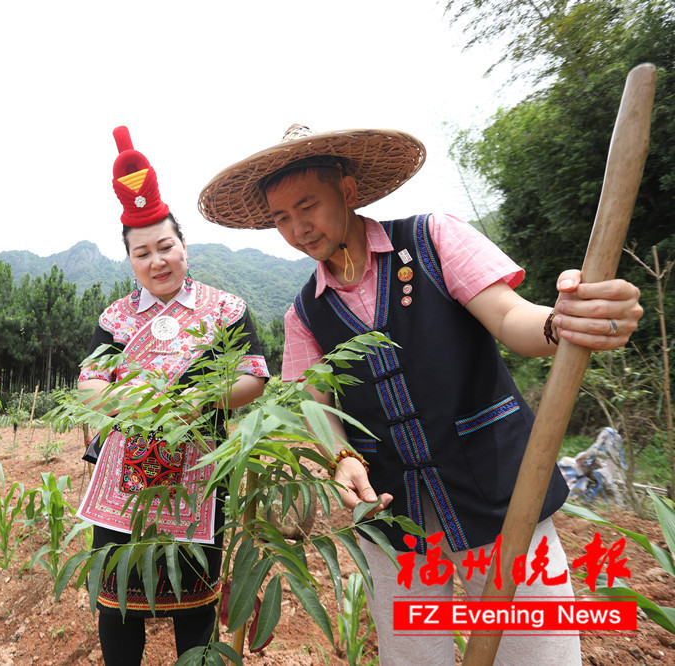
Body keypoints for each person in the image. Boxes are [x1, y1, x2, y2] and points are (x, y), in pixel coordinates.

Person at [197, 124, 643, 665]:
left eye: (307, 205)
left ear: (349, 191)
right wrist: (340, 457)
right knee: (413, 654)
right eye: (281, 218)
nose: (297, 228)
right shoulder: (305, 312)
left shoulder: (432, 240)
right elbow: (315, 407)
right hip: (390, 508)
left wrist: (562, 323)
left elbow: (510, 316)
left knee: (535, 651)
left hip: (495, 488)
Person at [76, 126, 269, 665]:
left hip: (198, 471)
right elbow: (90, 382)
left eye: (166, 247)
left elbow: (253, 376)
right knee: (117, 603)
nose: (157, 261)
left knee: (194, 603)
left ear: (184, 246)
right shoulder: (115, 316)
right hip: (123, 476)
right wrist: (127, 403)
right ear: (130, 260)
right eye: (143, 253)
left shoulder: (224, 308)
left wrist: (196, 402)